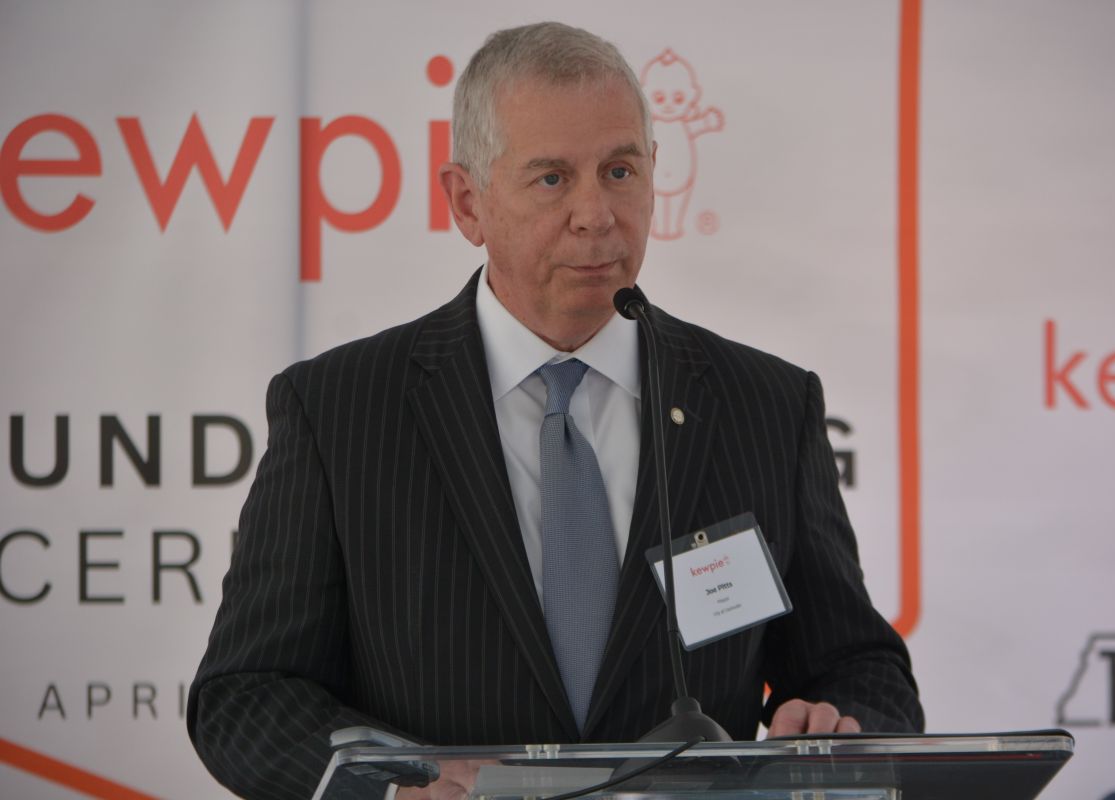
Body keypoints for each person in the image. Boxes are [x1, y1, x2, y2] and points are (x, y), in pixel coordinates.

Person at [188, 21, 923, 799]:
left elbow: (860, 666)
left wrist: (839, 723)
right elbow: (247, 695)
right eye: (551, 179)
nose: (596, 213)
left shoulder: (764, 406)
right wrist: (396, 788)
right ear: (467, 202)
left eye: (618, 170)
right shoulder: (339, 411)